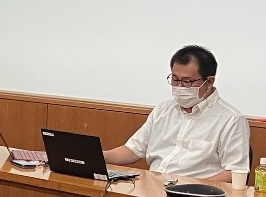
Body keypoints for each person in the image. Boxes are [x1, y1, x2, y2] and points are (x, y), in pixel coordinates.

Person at [104, 45, 250, 182]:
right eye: (175, 79)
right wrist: (98, 156)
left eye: (187, 81)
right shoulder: (163, 110)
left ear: (209, 81)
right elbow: (132, 150)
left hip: (194, 194)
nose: (179, 87)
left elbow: (235, 172)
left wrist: (194, 187)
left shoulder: (231, 120)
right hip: (152, 188)